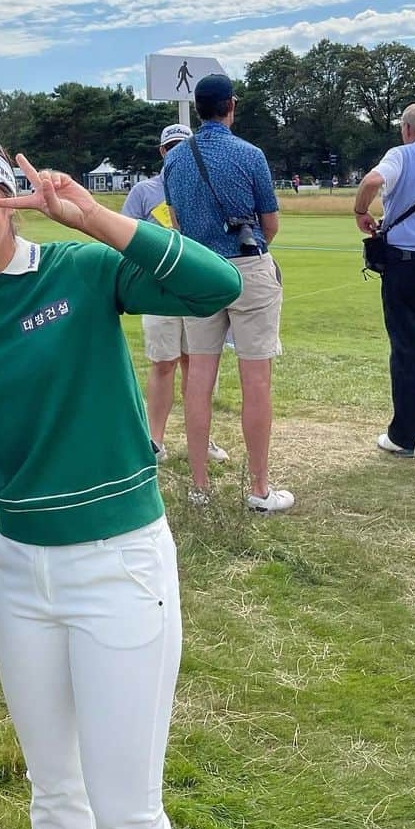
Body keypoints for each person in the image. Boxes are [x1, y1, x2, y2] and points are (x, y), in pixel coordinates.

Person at [0, 126, 241, 829]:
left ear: (8, 197)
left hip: (117, 564)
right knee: (55, 794)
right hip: (21, 576)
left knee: (126, 809)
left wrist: (94, 218)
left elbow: (217, 286)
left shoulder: (82, 269)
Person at [162, 73, 294, 512]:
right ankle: (259, 488)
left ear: (198, 109)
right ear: (231, 105)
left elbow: (177, 220)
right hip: (246, 268)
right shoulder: (250, 155)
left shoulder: (175, 161)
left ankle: (200, 486)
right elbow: (269, 224)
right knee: (256, 379)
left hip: (199, 273)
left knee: (198, 379)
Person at [121, 125, 230, 467]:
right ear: (163, 152)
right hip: (157, 290)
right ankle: (155, 440)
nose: (176, 152)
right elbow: (124, 237)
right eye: (171, 147)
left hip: (194, 291)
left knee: (197, 364)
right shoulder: (144, 191)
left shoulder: (203, 188)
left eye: (183, 146)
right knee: (163, 363)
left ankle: (202, 436)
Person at [354, 102, 415, 458]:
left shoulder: (401, 154)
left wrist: (361, 211)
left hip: (407, 265)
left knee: (407, 351)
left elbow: (373, 180)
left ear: (407, 129)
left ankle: (404, 436)